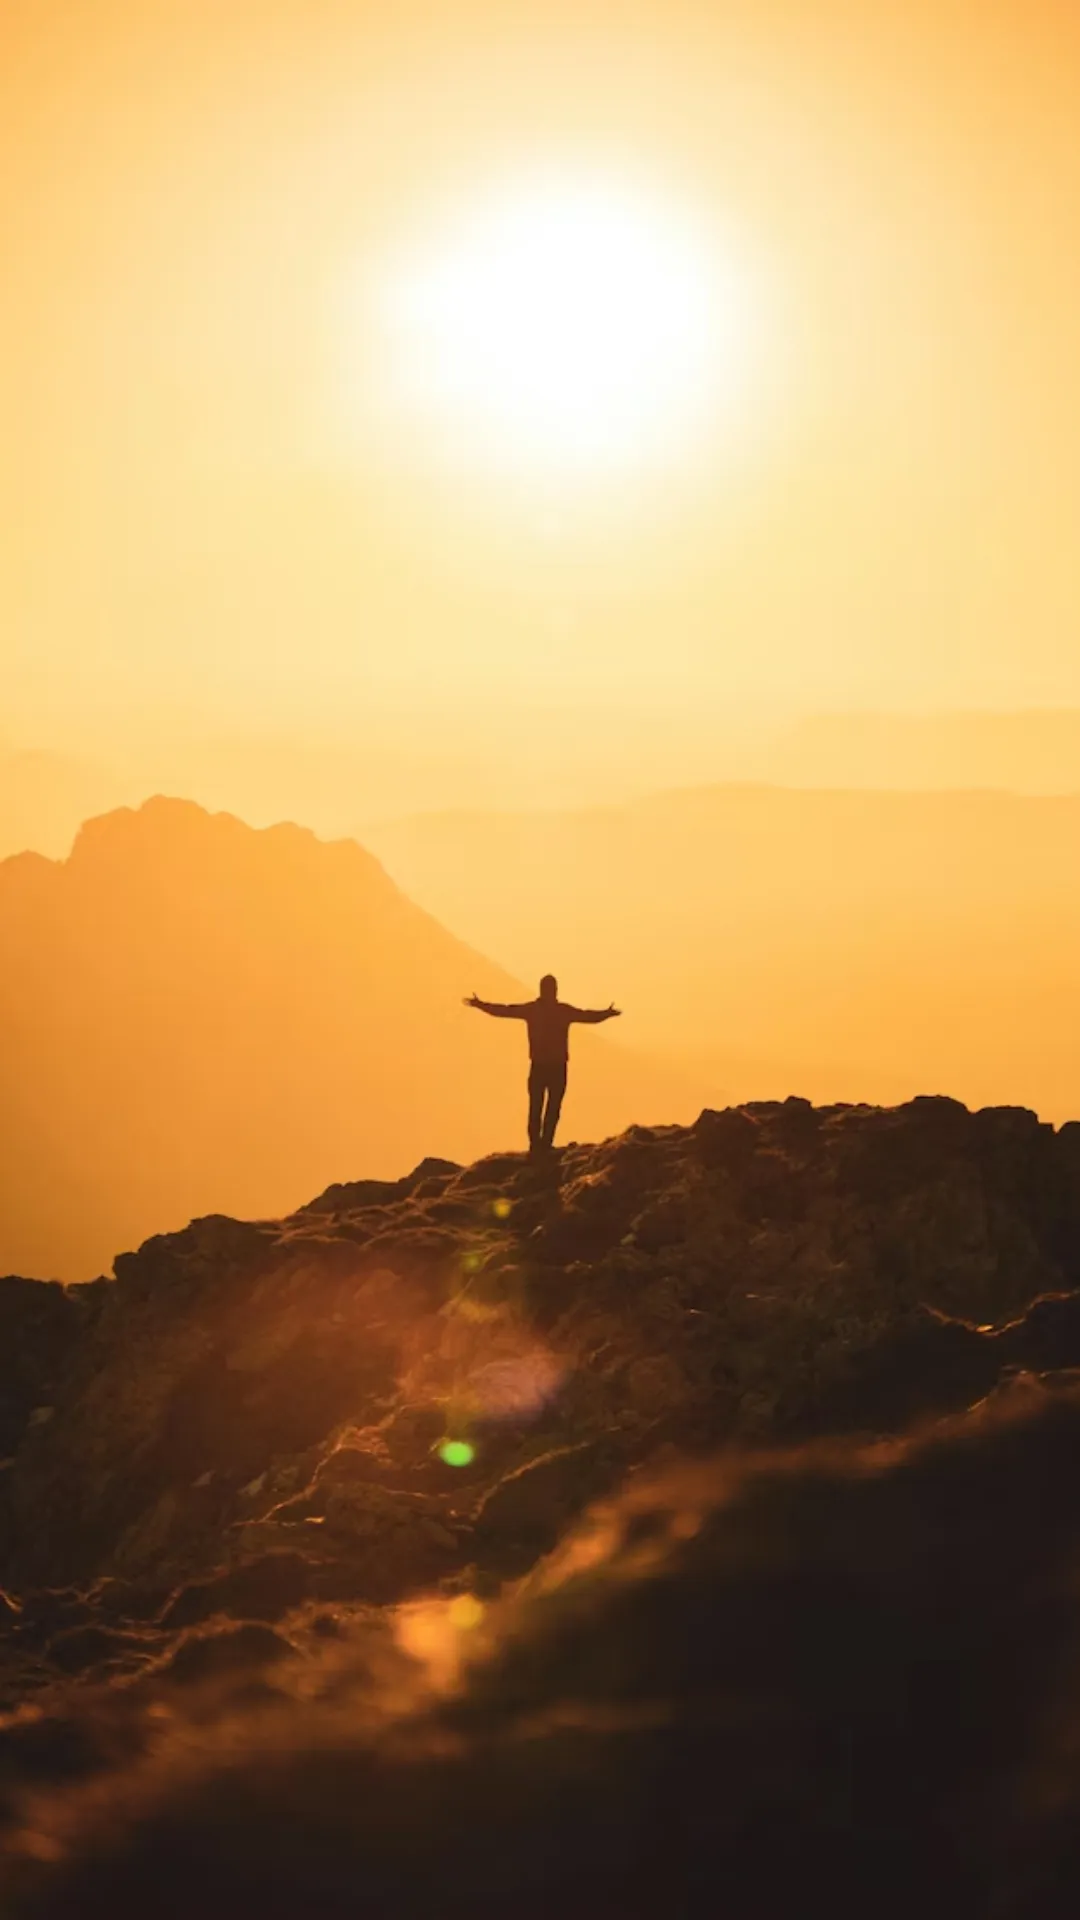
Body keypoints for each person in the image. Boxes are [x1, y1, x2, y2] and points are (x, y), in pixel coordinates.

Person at [464, 974, 621, 1152]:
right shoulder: (557, 1010)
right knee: (546, 1107)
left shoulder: (536, 1010)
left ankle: (540, 1145)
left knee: (542, 1107)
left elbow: (504, 1010)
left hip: (544, 1066)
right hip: (552, 1066)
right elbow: (586, 1016)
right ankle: (541, 1145)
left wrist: (480, 1005)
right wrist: (606, 1014)